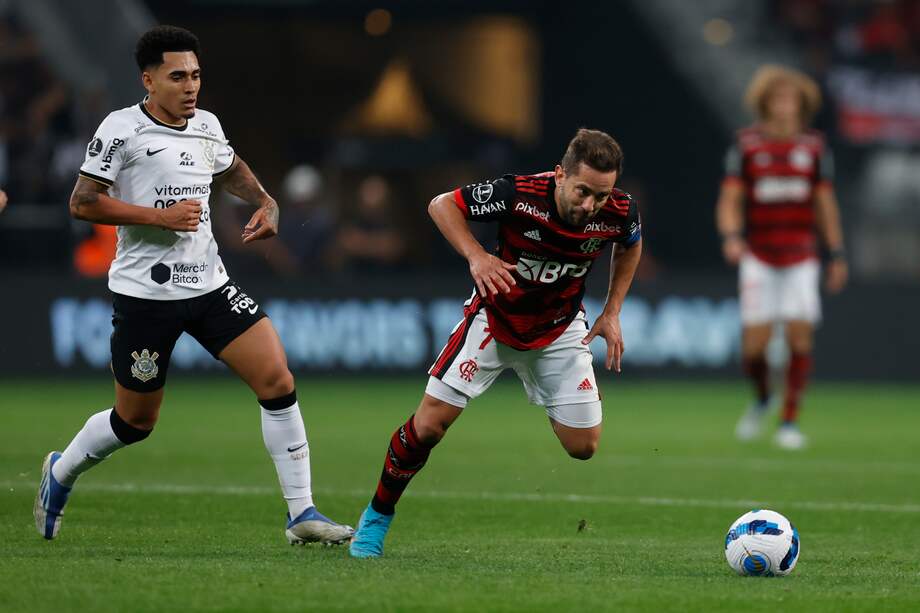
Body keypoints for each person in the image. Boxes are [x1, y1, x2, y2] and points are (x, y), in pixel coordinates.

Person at [34, 25, 352, 545]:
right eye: (178, 76)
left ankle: (302, 515)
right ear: (148, 79)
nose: (191, 86)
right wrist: (157, 217)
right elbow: (82, 202)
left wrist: (266, 201)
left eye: (196, 75)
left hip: (209, 286)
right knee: (135, 421)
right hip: (146, 296)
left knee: (277, 379)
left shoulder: (206, 125)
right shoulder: (121, 130)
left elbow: (230, 168)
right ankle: (61, 472)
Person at [349, 128, 643, 558]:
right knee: (428, 426)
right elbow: (442, 205)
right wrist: (476, 255)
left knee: (584, 447)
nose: (590, 205)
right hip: (495, 320)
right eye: (582, 192)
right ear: (560, 174)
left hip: (559, 329)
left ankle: (547, 390)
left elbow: (630, 244)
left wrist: (613, 309)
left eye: (600, 196)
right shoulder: (518, 194)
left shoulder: (618, 209)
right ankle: (376, 517)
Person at [716, 65, 847, 450]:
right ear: (765, 104)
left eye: (791, 99)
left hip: (801, 255)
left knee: (798, 336)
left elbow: (825, 204)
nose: (785, 106)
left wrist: (836, 253)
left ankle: (789, 422)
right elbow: (730, 199)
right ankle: (761, 398)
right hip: (759, 254)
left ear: (802, 104)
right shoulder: (747, 146)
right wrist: (731, 236)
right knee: (753, 349)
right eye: (777, 99)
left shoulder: (814, 149)